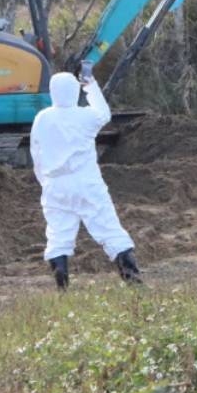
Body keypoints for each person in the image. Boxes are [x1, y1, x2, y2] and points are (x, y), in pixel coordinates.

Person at [30, 71, 140, 290]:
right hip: (86, 181)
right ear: (75, 91)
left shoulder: (43, 118)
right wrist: (91, 85)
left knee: (58, 234)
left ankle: (62, 286)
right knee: (109, 229)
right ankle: (133, 281)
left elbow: (36, 153)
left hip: (55, 184)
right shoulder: (85, 116)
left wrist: (45, 182)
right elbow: (104, 114)